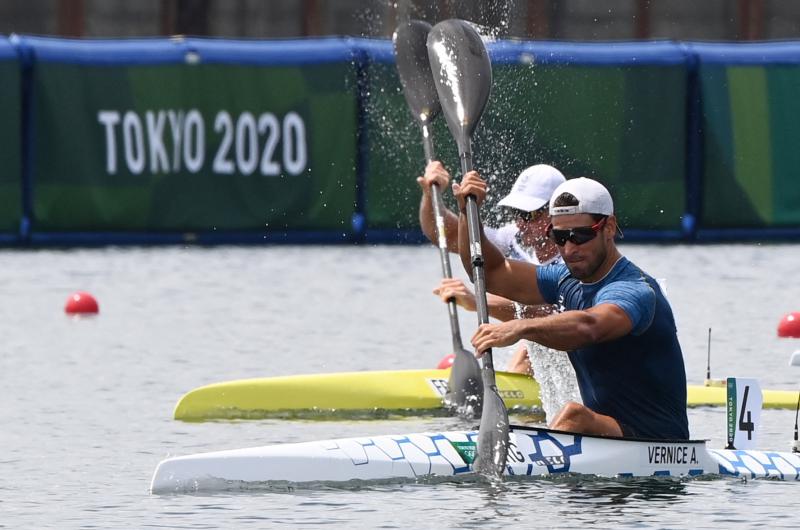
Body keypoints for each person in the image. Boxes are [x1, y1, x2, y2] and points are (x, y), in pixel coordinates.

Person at [452, 171, 690, 440]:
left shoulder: (635, 290)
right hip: (608, 436)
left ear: (609, 227)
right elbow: (490, 272)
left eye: (580, 235)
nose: (568, 248)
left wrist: (520, 327)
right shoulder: (564, 278)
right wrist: (466, 213)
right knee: (575, 417)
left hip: (659, 441)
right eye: (559, 236)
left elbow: (589, 326)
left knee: (574, 416)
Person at [418, 162, 565, 373]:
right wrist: (433, 196)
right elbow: (449, 236)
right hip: (540, 348)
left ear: (557, 212)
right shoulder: (513, 238)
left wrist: (476, 301)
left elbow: (548, 316)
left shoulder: (574, 258)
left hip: (573, 353)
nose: (521, 223)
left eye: (530, 215)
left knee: (527, 350)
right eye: (517, 212)